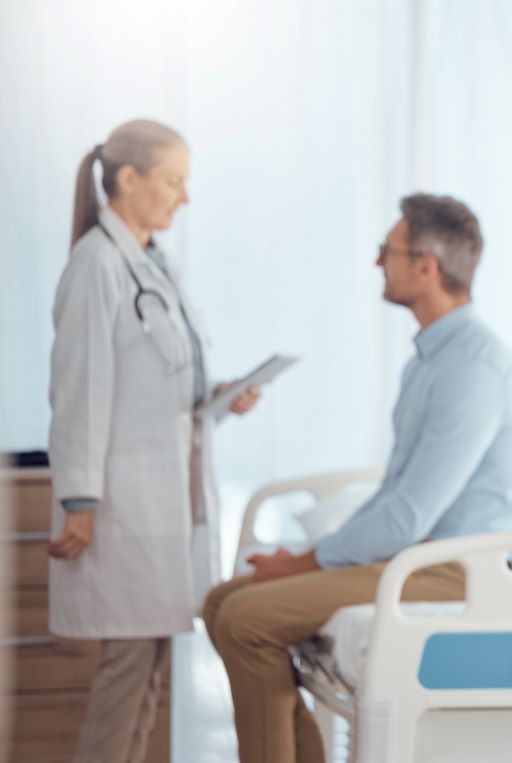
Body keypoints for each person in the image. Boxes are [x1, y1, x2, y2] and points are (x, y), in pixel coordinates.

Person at [203, 192, 512, 763]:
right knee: (220, 602)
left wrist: (300, 565)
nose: (378, 261)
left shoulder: (473, 367)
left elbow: (406, 516)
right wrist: (309, 557)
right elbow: (394, 496)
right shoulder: (431, 361)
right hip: (418, 558)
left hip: (456, 571)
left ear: (426, 267)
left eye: (388, 250)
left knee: (245, 617)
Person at [48, 119, 261, 763]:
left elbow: (157, 389)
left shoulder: (154, 266)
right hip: (120, 508)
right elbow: (80, 390)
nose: (184, 197)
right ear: (128, 179)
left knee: (147, 680)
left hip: (159, 505)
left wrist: (217, 397)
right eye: (173, 181)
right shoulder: (96, 264)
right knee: (127, 677)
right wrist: (79, 501)